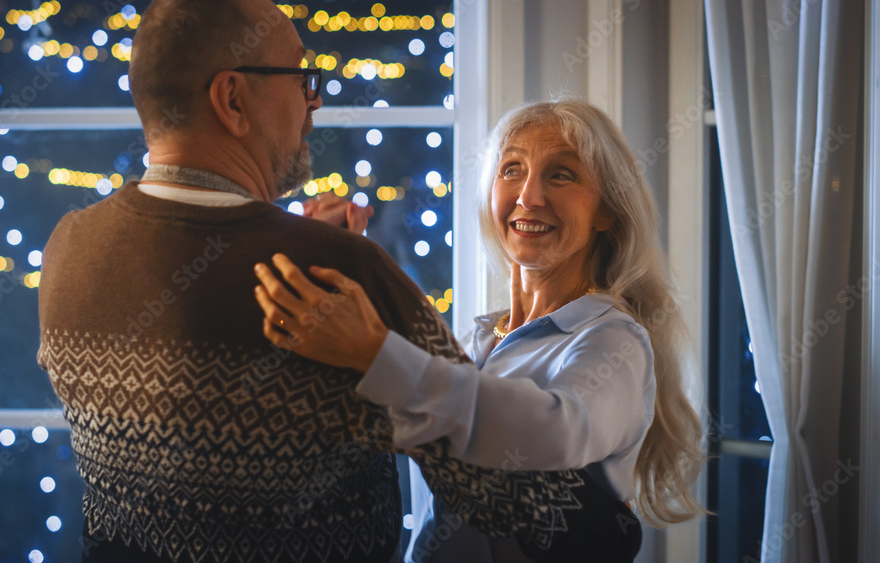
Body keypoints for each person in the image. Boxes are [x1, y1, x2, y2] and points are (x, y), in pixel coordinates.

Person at [37, 1, 638, 561]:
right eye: (300, 80)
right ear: (232, 99)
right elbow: (541, 514)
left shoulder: (67, 245)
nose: (313, 102)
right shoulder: (341, 273)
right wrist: (621, 531)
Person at [254, 99, 705, 562]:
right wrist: (337, 261)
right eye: (512, 170)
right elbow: (388, 408)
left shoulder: (613, 339)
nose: (529, 197)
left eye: (561, 174)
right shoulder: (478, 340)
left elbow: (556, 435)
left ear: (607, 211)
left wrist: (376, 352)